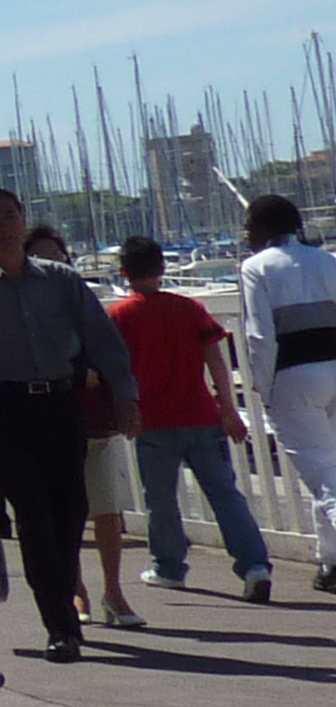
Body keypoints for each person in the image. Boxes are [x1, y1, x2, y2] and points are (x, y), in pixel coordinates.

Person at [0, 187, 138, 664]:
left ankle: (64, 602)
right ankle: (60, 625)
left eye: (13, 215)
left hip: (59, 406)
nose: (7, 226)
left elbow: (103, 340)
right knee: (35, 519)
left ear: (24, 221)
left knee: (70, 513)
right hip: (2, 413)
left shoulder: (61, 281)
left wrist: (125, 394)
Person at [110, 234, 272, 604]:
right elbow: (216, 359)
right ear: (163, 269)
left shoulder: (119, 317)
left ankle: (168, 568)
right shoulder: (190, 309)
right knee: (224, 494)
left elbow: (115, 369)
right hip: (201, 414)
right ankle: (254, 565)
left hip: (152, 420)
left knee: (162, 499)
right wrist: (228, 409)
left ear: (124, 273)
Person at [25, 224, 142, 630]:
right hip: (48, 421)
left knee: (107, 509)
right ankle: (76, 590)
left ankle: (114, 590)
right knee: (64, 512)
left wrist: (125, 396)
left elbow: (109, 347)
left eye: (56, 255)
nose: (50, 262)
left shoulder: (80, 297)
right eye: (39, 255)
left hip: (94, 419)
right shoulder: (18, 304)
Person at [236, 193, 336, 597]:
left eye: (248, 227)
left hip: (295, 376)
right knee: (331, 472)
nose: (246, 235)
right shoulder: (327, 261)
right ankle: (330, 562)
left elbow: (260, 336)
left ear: (260, 229)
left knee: (325, 479)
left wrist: (263, 387)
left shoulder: (256, 267)